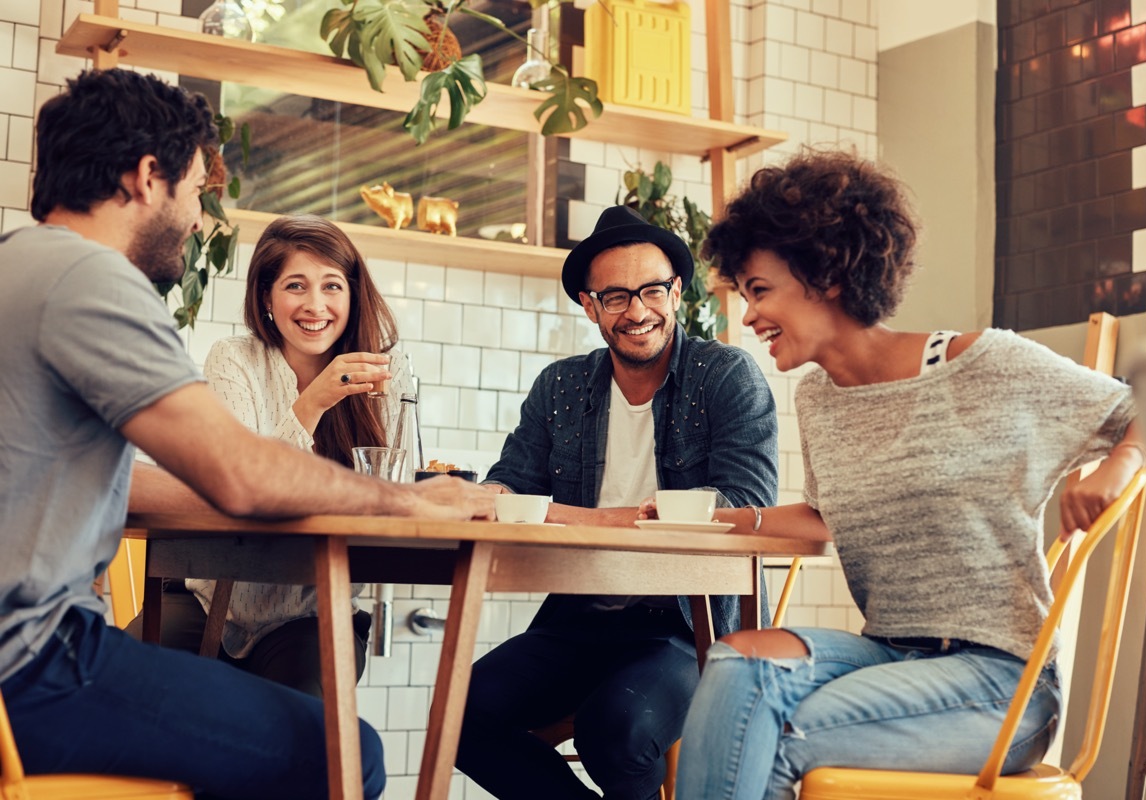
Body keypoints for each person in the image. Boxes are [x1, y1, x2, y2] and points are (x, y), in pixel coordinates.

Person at [0, 68, 493, 799]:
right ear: (145, 178)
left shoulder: (18, 264)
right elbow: (240, 472)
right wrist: (413, 502)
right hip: (39, 665)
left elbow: (123, 480)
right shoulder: (91, 280)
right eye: (197, 191)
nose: (199, 221)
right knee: (346, 753)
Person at [660, 149, 1146, 800]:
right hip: (887, 652)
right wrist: (713, 519)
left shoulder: (986, 365)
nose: (748, 317)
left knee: (775, 733)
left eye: (759, 290)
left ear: (826, 272)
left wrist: (1119, 465)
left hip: (999, 681)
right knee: (735, 666)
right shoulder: (818, 399)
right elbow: (827, 515)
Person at [455, 205, 780, 800]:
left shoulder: (726, 376)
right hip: (579, 620)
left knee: (617, 732)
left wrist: (583, 515)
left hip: (685, 626)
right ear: (590, 305)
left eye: (652, 290)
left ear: (677, 291)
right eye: (615, 296)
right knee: (458, 716)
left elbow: (746, 500)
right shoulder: (561, 386)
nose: (637, 311)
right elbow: (511, 486)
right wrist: (480, 496)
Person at [125, 214, 408, 697]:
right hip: (210, 597)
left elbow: (391, 488)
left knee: (303, 728)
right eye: (295, 285)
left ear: (354, 294)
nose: (315, 305)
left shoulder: (385, 370)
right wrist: (314, 400)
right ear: (266, 299)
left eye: (332, 286)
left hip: (313, 613)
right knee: (113, 683)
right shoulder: (234, 359)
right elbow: (244, 484)